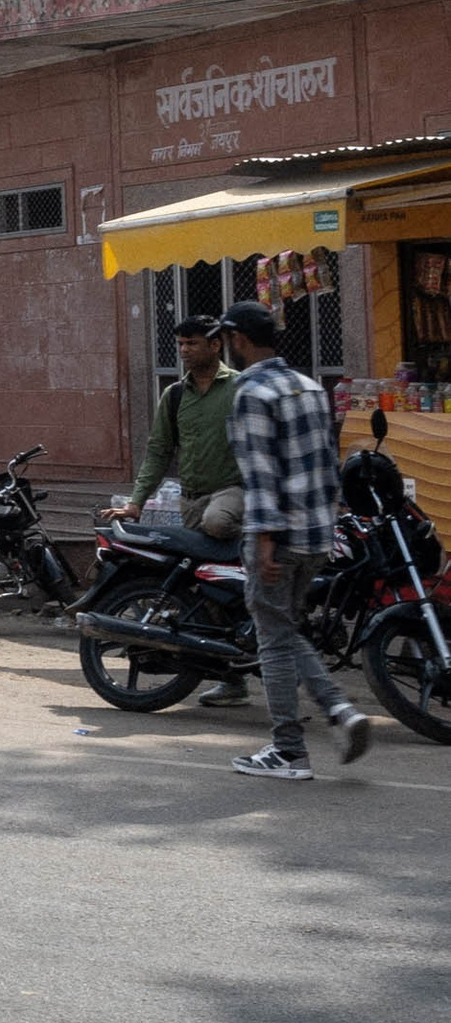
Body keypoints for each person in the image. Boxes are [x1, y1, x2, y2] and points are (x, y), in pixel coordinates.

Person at [223, 299, 371, 781]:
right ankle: (340, 711)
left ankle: (288, 749)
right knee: (285, 631)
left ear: (237, 340)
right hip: (315, 533)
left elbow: (261, 476)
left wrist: (263, 539)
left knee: (273, 640)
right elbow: (325, 465)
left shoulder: (251, 394)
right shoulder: (309, 387)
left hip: (278, 536)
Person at [119, 313, 245, 541]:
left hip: (232, 492)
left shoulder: (240, 387)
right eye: (181, 344)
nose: (184, 350)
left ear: (215, 345)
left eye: (192, 343)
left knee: (217, 522)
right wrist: (136, 502)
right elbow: (159, 451)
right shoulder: (174, 394)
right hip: (191, 501)